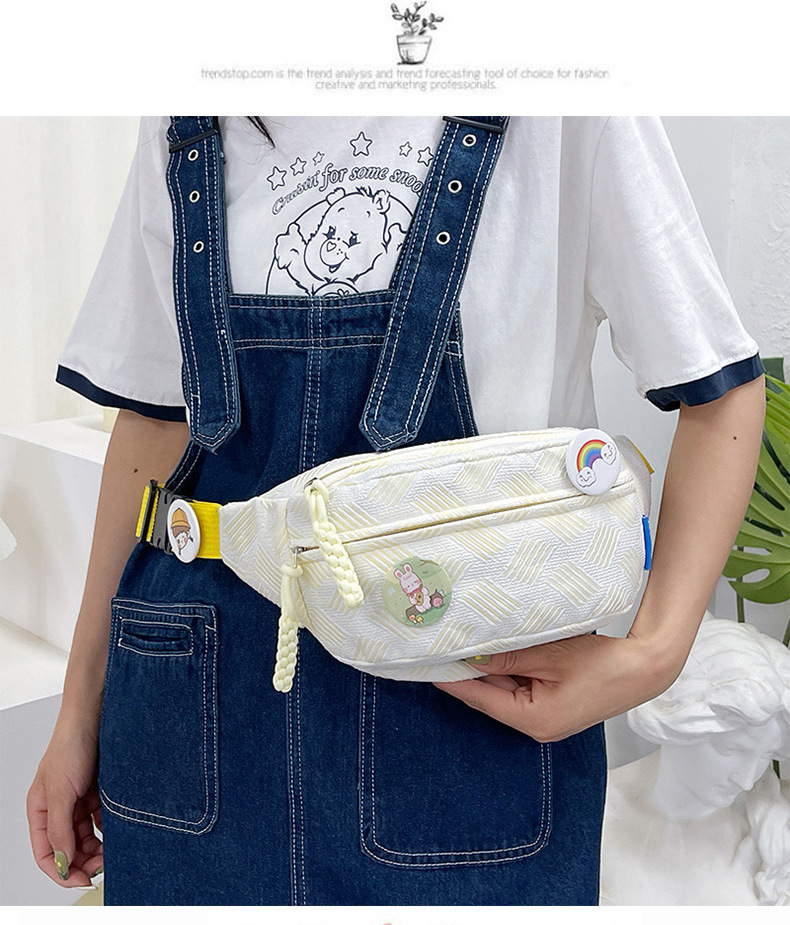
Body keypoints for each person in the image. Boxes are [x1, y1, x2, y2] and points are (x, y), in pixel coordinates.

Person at [27, 116, 766, 905]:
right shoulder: (185, 116)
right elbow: (155, 420)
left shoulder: (562, 106)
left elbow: (721, 390)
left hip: (463, 738)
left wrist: (653, 655)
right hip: (191, 728)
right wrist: (80, 710)